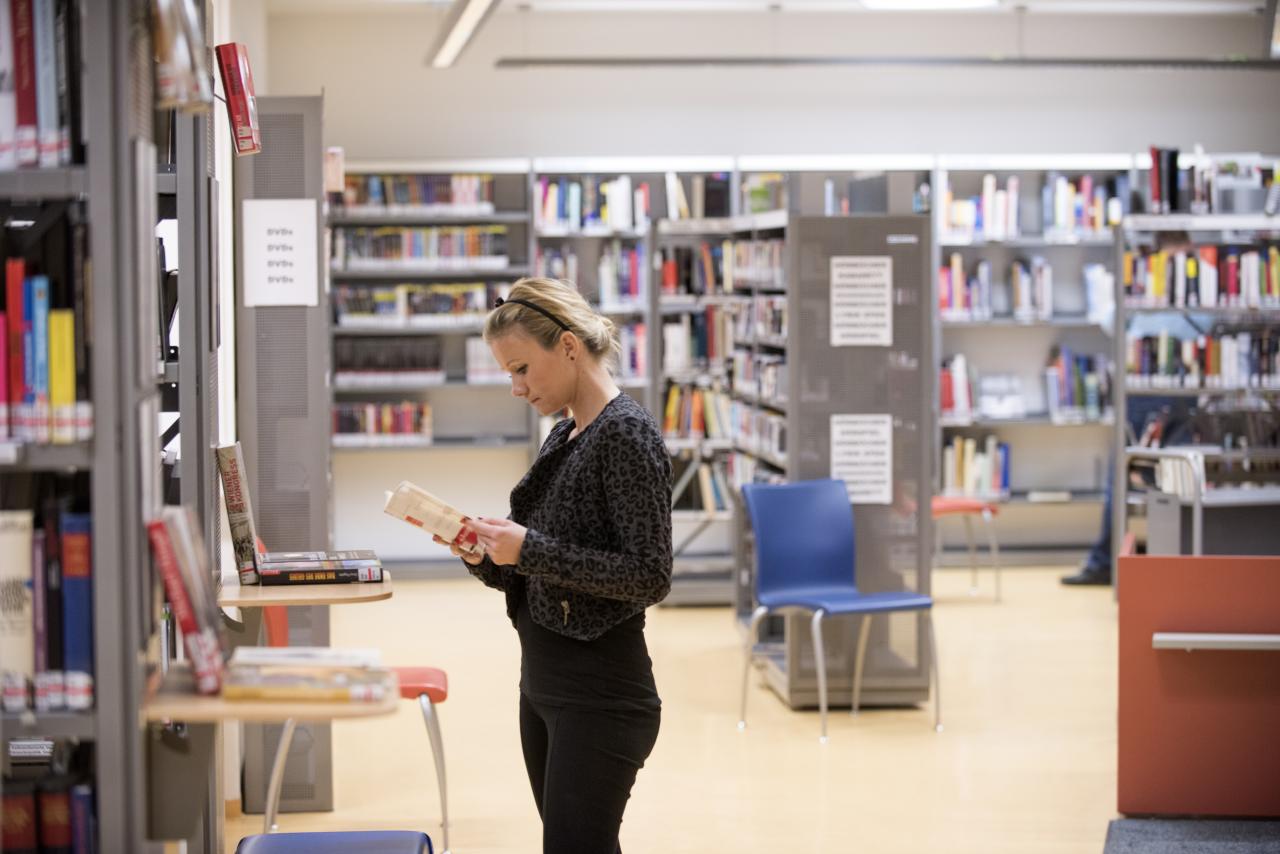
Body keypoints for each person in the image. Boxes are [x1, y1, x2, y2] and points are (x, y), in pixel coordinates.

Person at [433, 277, 672, 854]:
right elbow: (540, 570)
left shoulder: (626, 436)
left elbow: (648, 574)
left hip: (601, 694)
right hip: (544, 682)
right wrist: (487, 555)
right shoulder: (564, 432)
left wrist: (529, 549)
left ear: (568, 347)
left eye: (521, 369)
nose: (516, 388)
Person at [1062, 230, 1201, 586]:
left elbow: (1207, 326)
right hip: (1142, 395)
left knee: (1175, 481)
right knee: (1122, 481)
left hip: (1179, 396)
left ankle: (1170, 561)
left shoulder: (1190, 290)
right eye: (1170, 260)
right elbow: (1110, 322)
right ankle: (1109, 562)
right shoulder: (1145, 288)